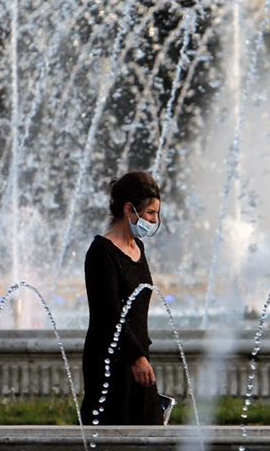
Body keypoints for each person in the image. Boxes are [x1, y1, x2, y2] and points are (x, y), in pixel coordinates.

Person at [80, 170, 164, 425]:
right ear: (130, 210)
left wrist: (141, 355)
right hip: (111, 360)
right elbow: (108, 314)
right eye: (150, 213)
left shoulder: (138, 248)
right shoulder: (101, 253)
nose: (154, 220)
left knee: (149, 430)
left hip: (137, 355)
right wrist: (135, 357)